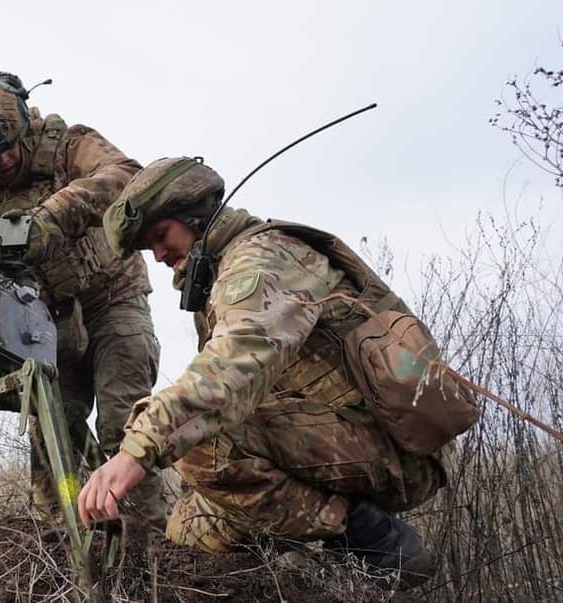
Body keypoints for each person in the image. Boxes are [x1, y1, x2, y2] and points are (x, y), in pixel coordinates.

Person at [80, 156, 449, 585]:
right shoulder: (224, 275)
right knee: (193, 528)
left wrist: (133, 453)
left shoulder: (261, 260)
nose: (159, 256)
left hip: (394, 450)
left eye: (161, 236)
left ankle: (376, 541)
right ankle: (308, 580)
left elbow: (229, 372)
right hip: (331, 438)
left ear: (196, 215)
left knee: (206, 447)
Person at [0, 73, 166, 526]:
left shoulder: (69, 145)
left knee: (124, 425)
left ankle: (150, 545)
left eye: (10, 144)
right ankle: (59, 538)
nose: (5, 158)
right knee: (53, 433)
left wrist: (50, 217)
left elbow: (127, 175)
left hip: (114, 301)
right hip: (50, 321)